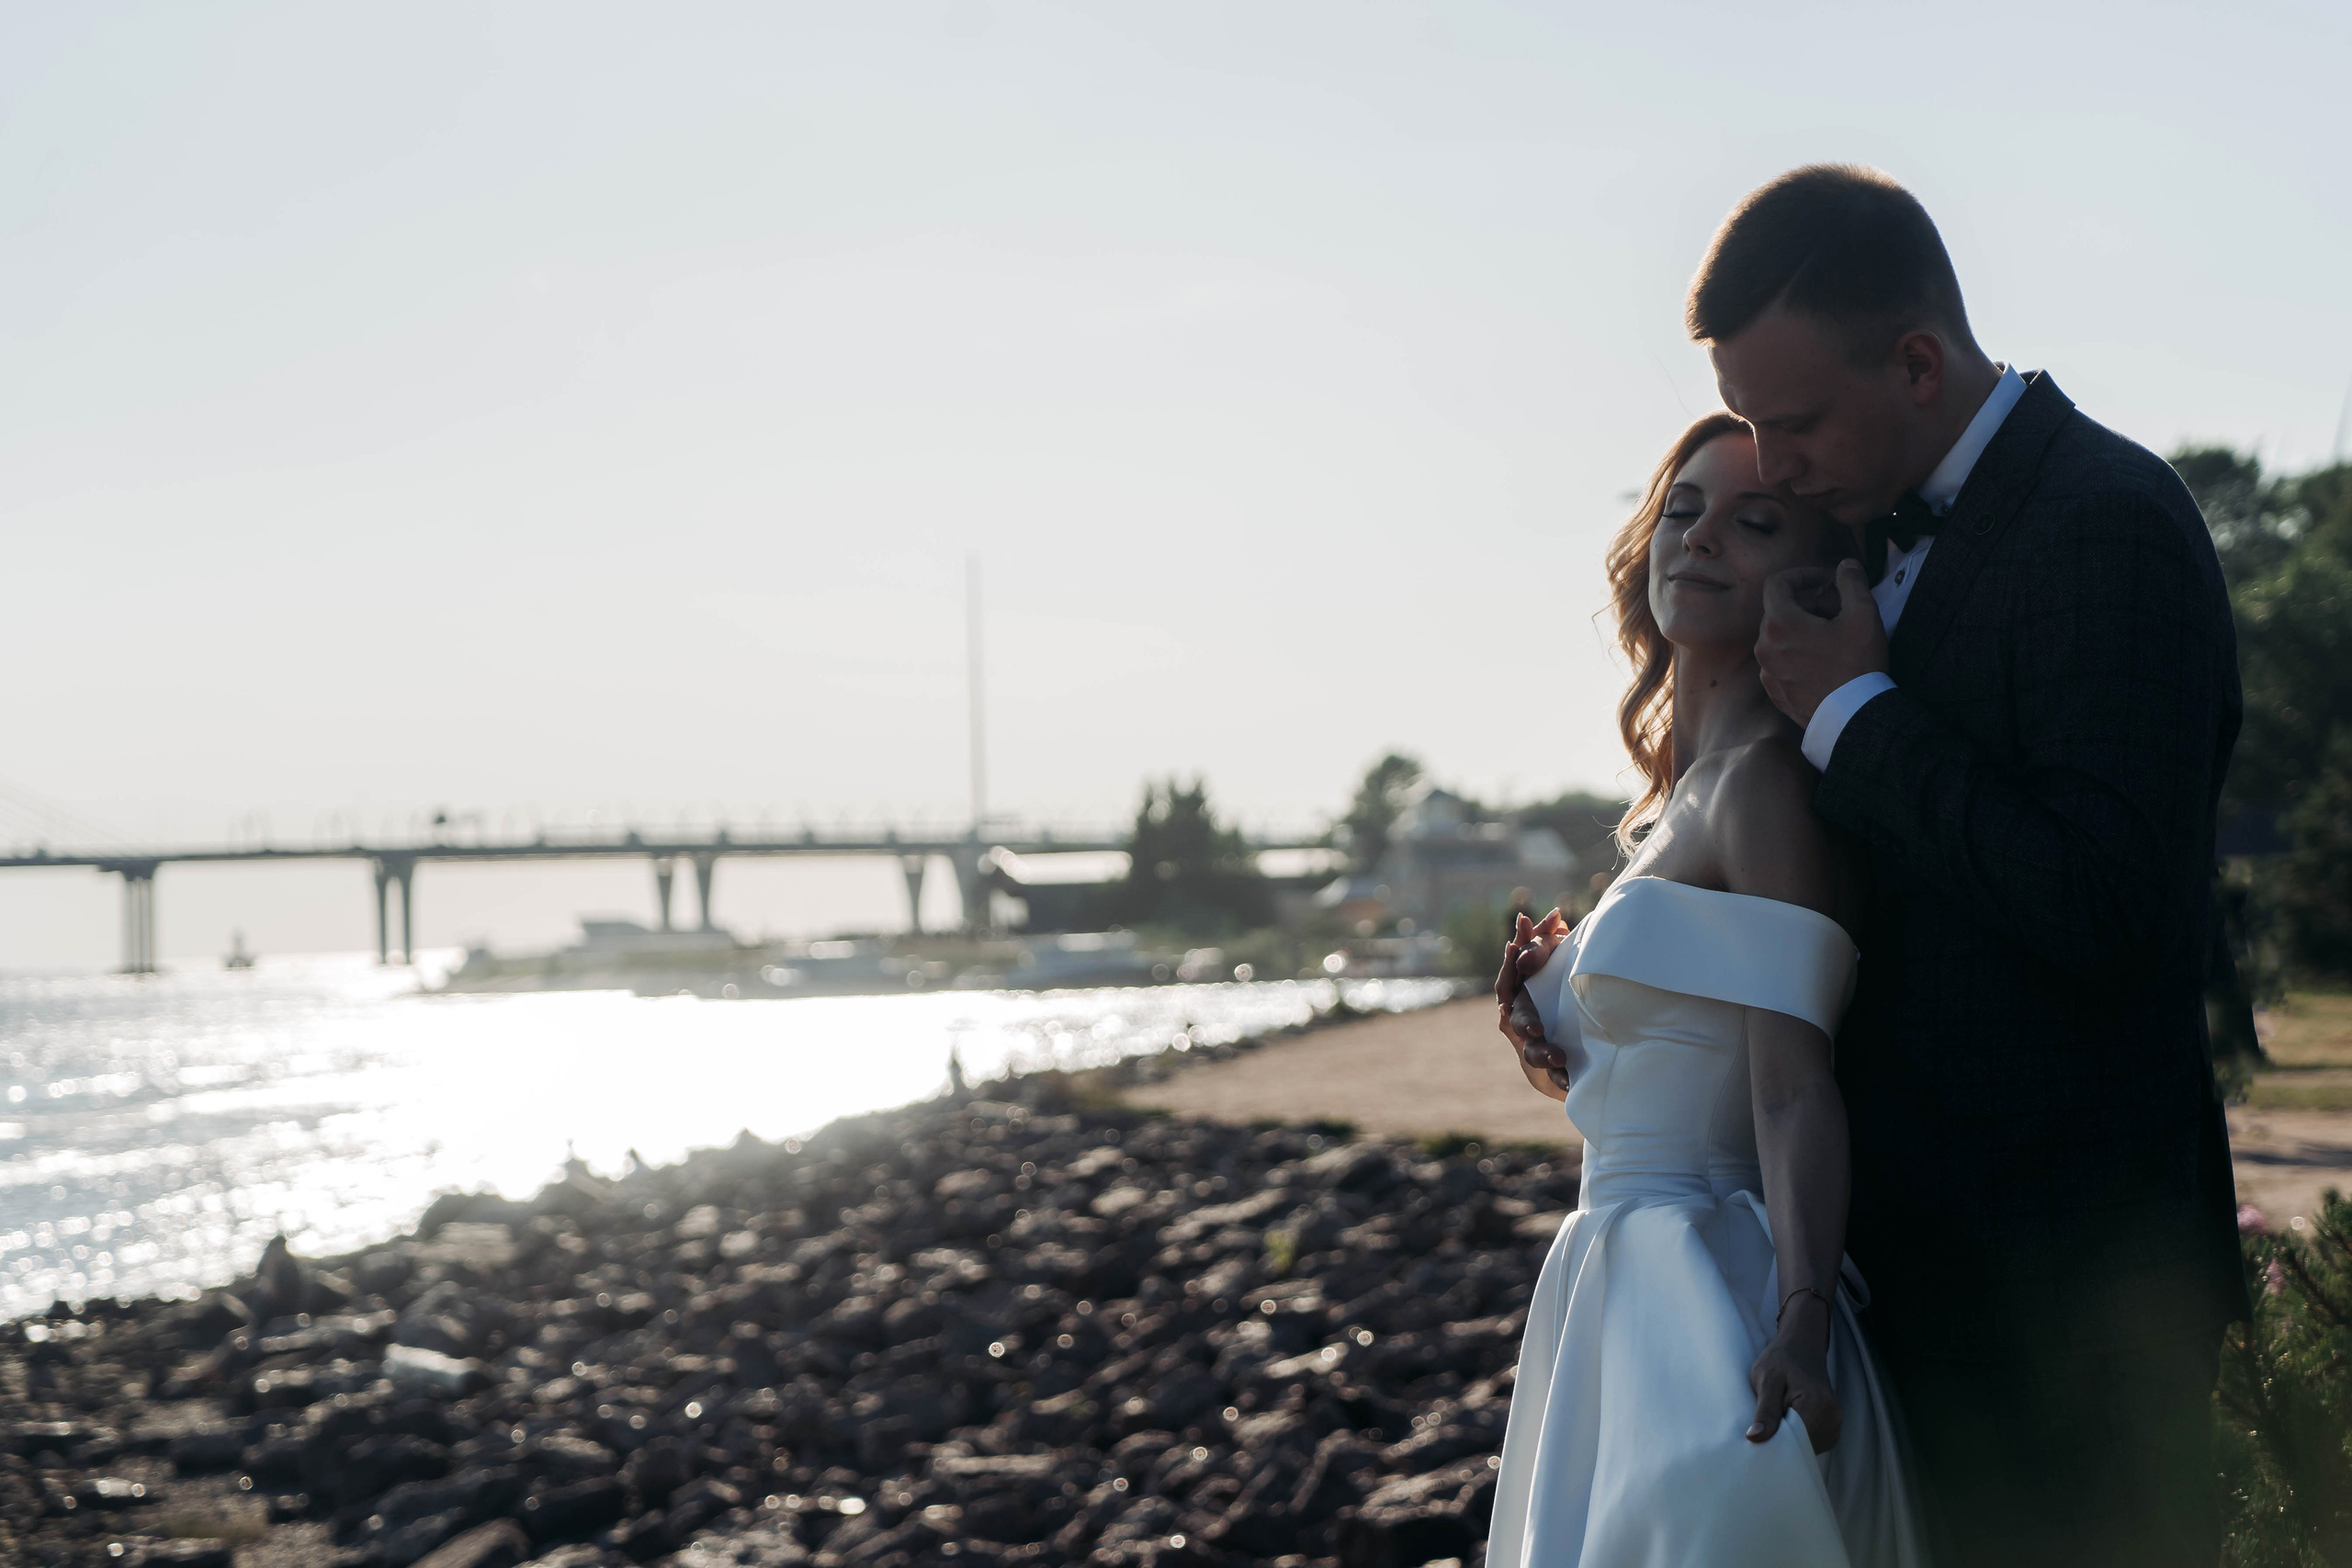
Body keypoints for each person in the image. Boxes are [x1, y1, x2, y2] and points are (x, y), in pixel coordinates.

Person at [1510, 165, 2246, 1567]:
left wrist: (1857, 711)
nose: (1769, 466)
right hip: (1887, 1289)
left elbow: (2108, 906)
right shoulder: (1864, 540)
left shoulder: (2107, 522)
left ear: (1917, 360)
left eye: (1791, 424)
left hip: (2065, 1297)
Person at [1487, 413, 1928, 1566]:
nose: (1702, 537)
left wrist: (1802, 1321)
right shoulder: (1663, 809)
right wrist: (1559, 1040)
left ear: (1811, 574)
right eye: (1683, 509)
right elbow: (1671, 1073)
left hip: (1709, 1298)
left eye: (1754, 520)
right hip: (1606, 1289)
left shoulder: (1764, 791)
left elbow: (1788, 1091)